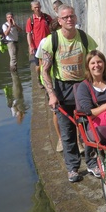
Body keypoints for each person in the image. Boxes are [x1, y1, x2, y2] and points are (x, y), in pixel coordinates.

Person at [41, 5, 98, 183]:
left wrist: (96, 85)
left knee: (87, 127)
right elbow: (44, 70)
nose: (69, 19)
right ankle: (73, 168)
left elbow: (94, 60)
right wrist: (52, 94)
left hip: (82, 86)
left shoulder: (83, 38)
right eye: (65, 17)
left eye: (72, 16)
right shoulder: (52, 41)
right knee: (67, 132)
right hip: (62, 88)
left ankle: (92, 163)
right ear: (59, 21)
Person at [36, 18, 64, 152]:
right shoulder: (46, 42)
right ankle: (60, 139)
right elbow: (42, 63)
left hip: (65, 82)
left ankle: (76, 139)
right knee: (56, 112)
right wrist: (47, 84)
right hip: (52, 82)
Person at [26, 0, 53, 72]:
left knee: (49, 63)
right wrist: (30, 46)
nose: (37, 9)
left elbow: (54, 28)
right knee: (38, 64)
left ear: (40, 7)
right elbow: (28, 34)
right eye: (35, 7)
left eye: (38, 7)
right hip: (36, 46)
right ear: (32, 8)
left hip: (47, 45)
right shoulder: (30, 20)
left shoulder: (47, 17)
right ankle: (38, 78)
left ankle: (47, 78)